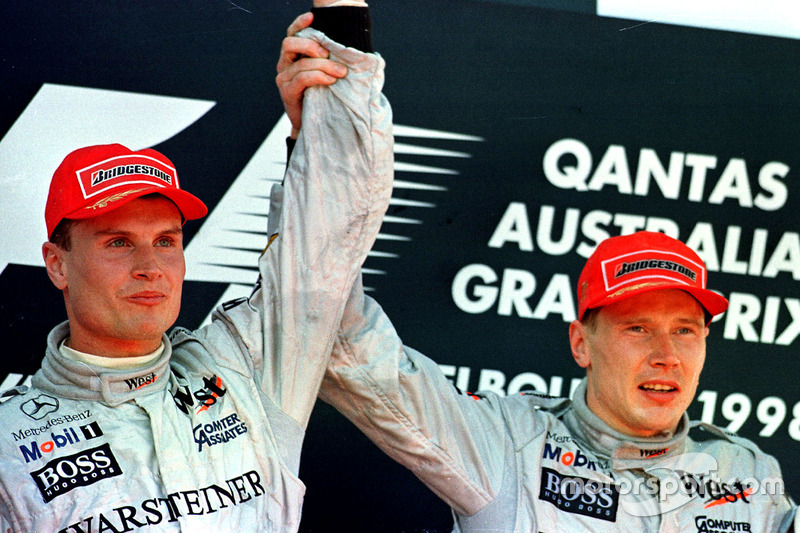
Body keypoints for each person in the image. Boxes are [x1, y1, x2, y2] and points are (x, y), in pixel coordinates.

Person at [0, 2, 391, 531]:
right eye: (118, 242)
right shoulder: (8, 442)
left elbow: (326, 244)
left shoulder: (245, 369)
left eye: (166, 240)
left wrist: (323, 110)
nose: (150, 267)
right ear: (57, 264)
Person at [319, 227, 798, 530]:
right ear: (580, 344)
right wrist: (321, 148)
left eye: (685, 331)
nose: (667, 356)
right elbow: (349, 350)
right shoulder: (508, 442)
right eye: (638, 329)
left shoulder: (747, 473)